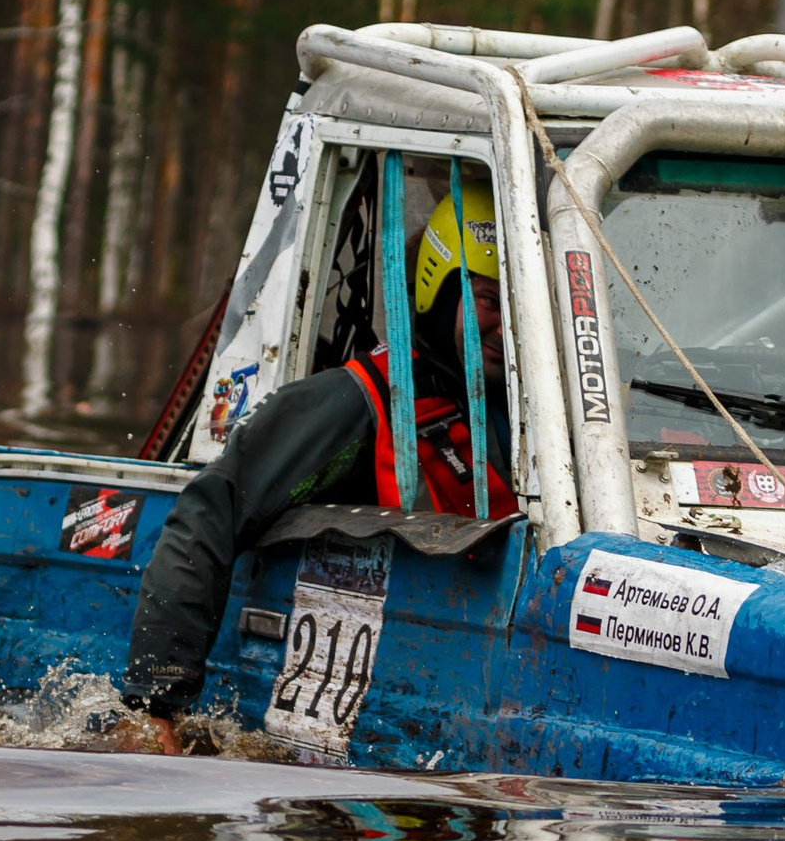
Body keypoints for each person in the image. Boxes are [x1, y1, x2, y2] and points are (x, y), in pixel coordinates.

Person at [121, 190, 514, 755]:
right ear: (440, 288)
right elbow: (209, 513)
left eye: (517, 307)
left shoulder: (530, 418)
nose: (504, 326)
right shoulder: (360, 403)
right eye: (487, 301)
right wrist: (155, 709)